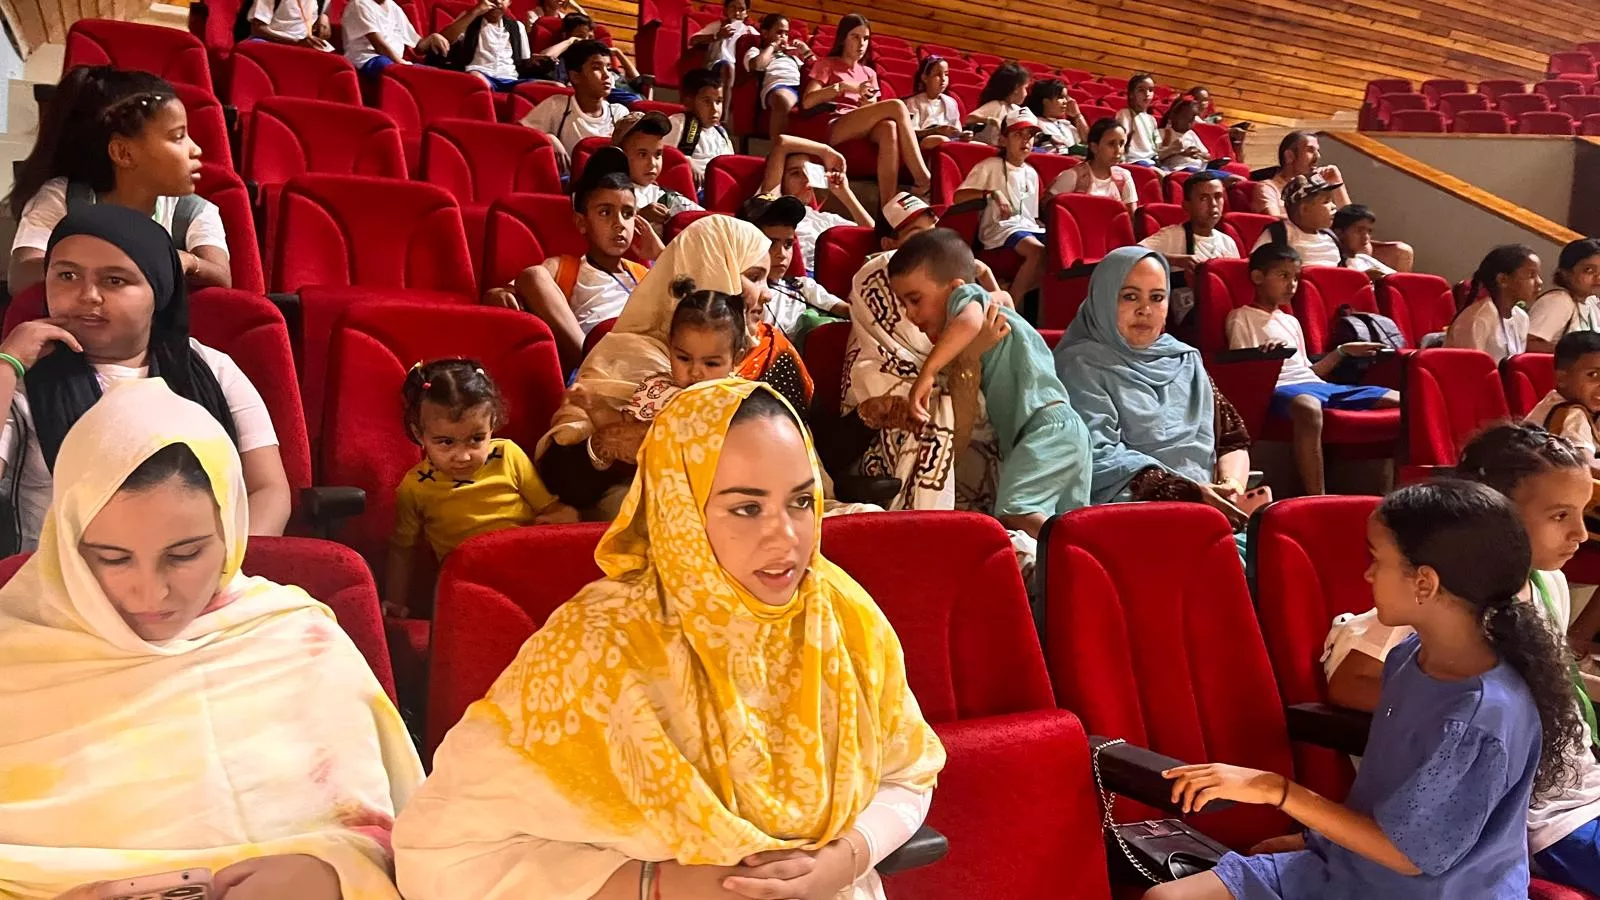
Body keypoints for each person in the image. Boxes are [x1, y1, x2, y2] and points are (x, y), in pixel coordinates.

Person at [395, 378, 945, 899]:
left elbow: (909, 772)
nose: (787, 537)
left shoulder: (841, 615)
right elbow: (443, 853)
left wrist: (846, 858)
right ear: (679, 509)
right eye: (747, 508)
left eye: (801, 502)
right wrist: (664, 886)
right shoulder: (597, 644)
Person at [0, 378, 424, 900]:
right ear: (64, 541)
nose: (151, 591)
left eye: (184, 554)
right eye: (111, 558)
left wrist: (336, 874)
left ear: (231, 530)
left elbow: (404, 841)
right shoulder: (12, 651)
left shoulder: (296, 639)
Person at [1149, 478, 1585, 900]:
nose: (1368, 572)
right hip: (1354, 868)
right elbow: (1391, 794)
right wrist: (1316, 837)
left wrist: (1275, 790)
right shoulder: (1410, 655)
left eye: (1378, 559)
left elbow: (1408, 853)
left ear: (1424, 583)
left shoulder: (1481, 716)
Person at [1321, 426, 1600, 896]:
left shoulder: (1547, 583)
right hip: (1543, 818)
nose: (1580, 533)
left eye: (1582, 513)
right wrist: (1462, 720)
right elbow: (1350, 681)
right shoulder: (1435, 602)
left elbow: (1551, 686)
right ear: (1496, 514)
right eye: (1559, 515)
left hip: (1585, 787)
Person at [0, 205, 290, 552]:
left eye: (114, 280)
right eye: (67, 276)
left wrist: (227, 570)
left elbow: (268, 489)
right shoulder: (23, 377)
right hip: (56, 589)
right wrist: (7, 363)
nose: (87, 295)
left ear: (159, 292)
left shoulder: (213, 368)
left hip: (207, 584)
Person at [533, 216, 773, 518]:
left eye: (712, 362)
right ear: (713, 270)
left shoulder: (770, 352)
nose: (767, 293)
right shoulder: (628, 356)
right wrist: (606, 443)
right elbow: (560, 478)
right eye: (754, 276)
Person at [893, 228, 1092, 538]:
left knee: (1015, 512)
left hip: (1043, 430)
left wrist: (928, 372)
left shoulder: (966, 299)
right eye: (903, 303)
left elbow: (970, 320)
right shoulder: (990, 306)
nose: (909, 313)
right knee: (1068, 526)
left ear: (954, 287)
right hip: (1066, 431)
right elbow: (1002, 301)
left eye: (915, 299)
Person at [1055, 246, 1254, 524]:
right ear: (1102, 298)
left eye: (1157, 297)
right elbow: (1098, 458)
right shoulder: (1079, 364)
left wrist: (1231, 487)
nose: (1145, 310)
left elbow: (1232, 439)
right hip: (1127, 517)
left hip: (1209, 514)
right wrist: (1188, 494)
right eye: (1129, 296)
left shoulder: (1184, 360)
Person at [838, 193, 1009, 514]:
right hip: (893, 505)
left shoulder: (961, 342)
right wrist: (965, 365)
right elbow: (948, 442)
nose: (915, 313)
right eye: (908, 301)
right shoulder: (879, 277)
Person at [8, 67, 232, 293]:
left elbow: (221, 277)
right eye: (178, 137)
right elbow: (22, 277)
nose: (196, 149)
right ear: (123, 153)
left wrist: (187, 261)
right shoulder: (62, 198)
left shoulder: (193, 211)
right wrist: (112, 263)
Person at [386, 359, 576, 617]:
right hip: (469, 583)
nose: (463, 456)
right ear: (419, 434)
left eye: (476, 439)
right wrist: (396, 602)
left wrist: (565, 519)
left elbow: (549, 509)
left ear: (493, 423)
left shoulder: (507, 454)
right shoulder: (415, 486)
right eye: (445, 442)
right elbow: (403, 550)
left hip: (526, 567)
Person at [1225, 243, 1397, 495]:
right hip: (1280, 389)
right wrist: (1269, 355)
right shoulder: (1241, 316)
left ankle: (1401, 490)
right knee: (1307, 405)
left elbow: (1309, 371)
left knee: (1404, 401)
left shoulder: (1291, 321)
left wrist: (1342, 352)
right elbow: (1244, 369)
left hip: (1317, 387)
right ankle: (1317, 496)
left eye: (1295, 277)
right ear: (1258, 277)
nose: (1292, 284)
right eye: (1283, 276)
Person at [483, 149, 652, 372]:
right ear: (582, 223)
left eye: (628, 213)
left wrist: (660, 255)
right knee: (533, 274)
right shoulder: (567, 267)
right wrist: (500, 294)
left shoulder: (643, 274)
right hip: (598, 359)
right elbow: (507, 292)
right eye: (605, 213)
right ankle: (591, 365)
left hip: (649, 361)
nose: (619, 223)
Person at [800, 14, 933, 201]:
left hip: (863, 121)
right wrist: (842, 87)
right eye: (855, 37)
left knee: (889, 127)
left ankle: (888, 204)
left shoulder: (869, 72)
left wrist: (868, 104)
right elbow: (808, 101)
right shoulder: (827, 64)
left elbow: (875, 106)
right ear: (843, 38)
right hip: (837, 122)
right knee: (896, 105)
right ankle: (923, 178)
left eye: (865, 38)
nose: (861, 43)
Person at [954, 109, 1047, 301]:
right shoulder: (989, 165)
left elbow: (1032, 215)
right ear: (1003, 140)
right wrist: (991, 193)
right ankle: (1011, 304)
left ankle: (1009, 291)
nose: (1026, 140)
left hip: (1027, 227)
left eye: (1030, 135)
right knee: (1037, 252)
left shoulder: (1032, 173)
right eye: (1018, 134)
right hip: (1000, 229)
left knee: (1057, 255)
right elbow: (959, 197)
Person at [738, 195, 848, 345]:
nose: (782, 254)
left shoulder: (800, 285)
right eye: (771, 243)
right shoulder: (737, 293)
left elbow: (849, 312)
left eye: (788, 244)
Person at [758, 133, 873, 273]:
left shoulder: (824, 218)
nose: (806, 179)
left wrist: (845, 193)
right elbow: (782, 143)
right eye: (795, 173)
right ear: (781, 179)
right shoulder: (773, 209)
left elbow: (872, 236)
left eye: (808, 172)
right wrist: (825, 151)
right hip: (801, 279)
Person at [1138, 170, 1240, 324]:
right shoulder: (1172, 235)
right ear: (1187, 205)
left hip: (1226, 315)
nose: (1213, 204)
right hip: (1189, 318)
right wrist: (1175, 260)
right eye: (1203, 198)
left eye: (1218, 197)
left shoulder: (1228, 242)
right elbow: (1130, 255)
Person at [519, 39, 629, 163]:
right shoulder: (555, 106)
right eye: (596, 68)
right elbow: (520, 137)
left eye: (608, 68)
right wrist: (548, 138)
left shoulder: (619, 114)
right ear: (575, 77)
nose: (607, 75)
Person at [614, 111, 702, 241]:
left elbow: (706, 219)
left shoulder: (666, 197)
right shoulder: (607, 192)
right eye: (642, 154)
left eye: (658, 154)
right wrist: (638, 217)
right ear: (619, 156)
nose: (652, 163)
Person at [1446, 244, 1540, 364]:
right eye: (1531, 275)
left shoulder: (1521, 318)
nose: (1539, 282)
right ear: (1503, 280)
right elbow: (1469, 369)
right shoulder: (1478, 319)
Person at [1526, 331, 1600, 474]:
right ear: (1561, 379)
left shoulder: (1552, 401)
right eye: (1593, 375)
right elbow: (1586, 468)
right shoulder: (1571, 414)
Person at [1252, 174, 1347, 269]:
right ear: (1304, 209)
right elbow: (1257, 266)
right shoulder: (1279, 234)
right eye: (1326, 201)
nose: (1334, 206)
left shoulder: (1331, 237)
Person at [438, 0, 537, 89]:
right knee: (476, 79)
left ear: (509, 2)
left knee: (549, 86)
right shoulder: (469, 20)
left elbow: (524, 61)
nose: (497, 1)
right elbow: (445, 38)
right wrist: (476, 11)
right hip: (480, 74)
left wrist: (536, 62)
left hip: (510, 79)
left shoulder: (518, 27)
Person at [1049, 118, 1137, 218]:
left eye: (1121, 144)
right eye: (1111, 144)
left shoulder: (1124, 177)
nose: (1118, 150)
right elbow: (1049, 209)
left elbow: (1131, 218)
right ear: (1094, 147)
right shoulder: (1073, 176)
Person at [743, 12, 811, 141]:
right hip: (778, 86)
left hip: (801, 88)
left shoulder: (792, 57)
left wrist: (807, 52)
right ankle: (778, 152)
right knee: (782, 99)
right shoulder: (757, 51)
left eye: (786, 33)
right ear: (765, 33)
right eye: (779, 32)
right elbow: (757, 65)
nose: (784, 37)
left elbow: (817, 71)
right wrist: (772, 47)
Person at [1251, 131, 1350, 218]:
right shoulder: (1268, 188)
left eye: (1317, 151)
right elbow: (1275, 223)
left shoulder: (1316, 188)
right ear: (1289, 156)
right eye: (1310, 150)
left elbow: (1349, 222)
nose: (1318, 156)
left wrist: (1337, 184)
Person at [1528, 238, 1600, 354]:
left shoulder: (1591, 302)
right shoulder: (1558, 301)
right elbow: (1529, 343)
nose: (1598, 278)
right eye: (1589, 270)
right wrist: (1576, 357)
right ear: (1565, 273)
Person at [664, 67, 736, 183]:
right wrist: (686, 161)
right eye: (707, 101)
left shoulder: (721, 133)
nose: (715, 109)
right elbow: (664, 156)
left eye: (718, 101)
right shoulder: (679, 123)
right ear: (689, 102)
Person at [341, 0, 448, 74]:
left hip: (395, 61)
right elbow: (380, 46)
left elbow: (418, 46)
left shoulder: (393, 6)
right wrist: (403, 66)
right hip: (368, 59)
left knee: (436, 73)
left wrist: (433, 38)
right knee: (394, 69)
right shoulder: (360, 4)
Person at [686, 0, 756, 91]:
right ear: (726, 10)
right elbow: (693, 40)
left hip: (740, 70)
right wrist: (717, 36)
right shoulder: (718, 26)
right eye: (733, 7)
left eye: (741, 9)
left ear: (746, 13)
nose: (737, 13)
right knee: (727, 67)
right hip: (716, 66)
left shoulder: (750, 31)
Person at [964, 62, 1029, 146]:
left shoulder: (1017, 109)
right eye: (1025, 88)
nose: (1026, 93)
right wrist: (991, 120)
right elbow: (969, 119)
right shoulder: (996, 105)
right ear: (1016, 88)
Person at [907, 55, 962, 150]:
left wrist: (963, 135)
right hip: (924, 140)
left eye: (946, 74)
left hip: (951, 139)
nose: (943, 79)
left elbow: (957, 130)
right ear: (925, 78)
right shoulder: (914, 102)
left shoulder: (951, 102)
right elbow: (912, 132)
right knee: (942, 140)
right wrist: (936, 131)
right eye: (937, 75)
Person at [1331, 204, 1398, 278]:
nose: (1366, 237)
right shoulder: (1331, 261)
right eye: (1359, 230)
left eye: (1369, 231)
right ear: (1339, 233)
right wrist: (1363, 278)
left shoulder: (1366, 261)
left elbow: (1397, 280)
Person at [1025, 78, 1087, 153]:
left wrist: (1078, 115)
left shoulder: (1066, 124)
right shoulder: (1034, 122)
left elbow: (1088, 141)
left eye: (1066, 97)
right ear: (1046, 101)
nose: (1065, 102)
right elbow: (1033, 149)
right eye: (1060, 97)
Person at [243, 0, 332, 48]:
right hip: (270, 44)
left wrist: (324, 17)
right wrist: (295, 43)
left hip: (301, 47)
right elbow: (256, 30)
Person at [1116, 73, 1161, 167]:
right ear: (1131, 94)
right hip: (1134, 160)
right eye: (1141, 90)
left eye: (1151, 90)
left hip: (1150, 160)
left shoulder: (1151, 119)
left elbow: (1156, 146)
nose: (1147, 94)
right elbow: (1122, 139)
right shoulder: (1125, 114)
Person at [1157, 98, 1213, 172]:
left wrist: (1198, 153)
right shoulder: (1163, 133)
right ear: (1173, 116)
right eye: (1185, 117)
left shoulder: (1191, 134)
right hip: (1178, 169)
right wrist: (1175, 150)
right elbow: (1155, 158)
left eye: (1192, 118)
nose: (1189, 121)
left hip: (1199, 169)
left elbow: (1207, 156)